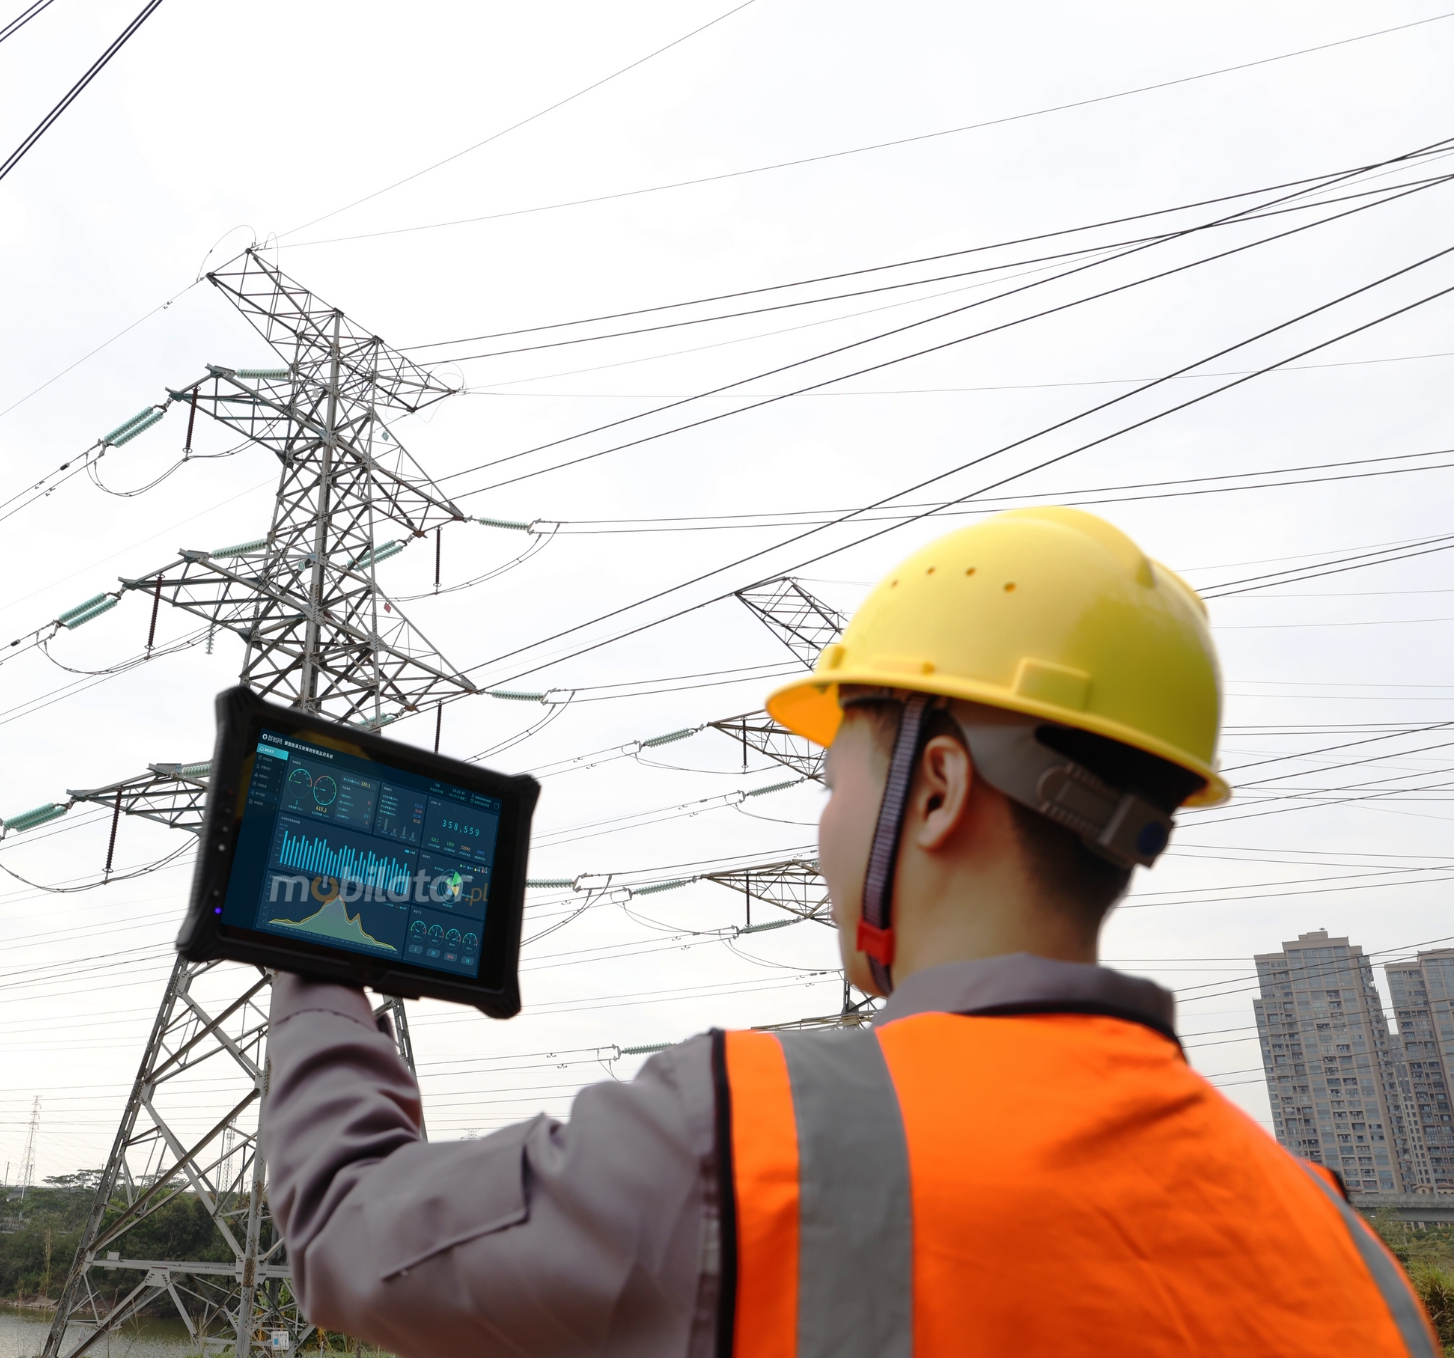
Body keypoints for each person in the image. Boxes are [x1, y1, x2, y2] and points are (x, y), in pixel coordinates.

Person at [259, 507, 1438, 1357]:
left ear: (935, 791)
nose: (820, 829)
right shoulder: (1344, 1249)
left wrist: (314, 945)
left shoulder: (738, 1135)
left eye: (833, 780)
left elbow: (343, 1227)